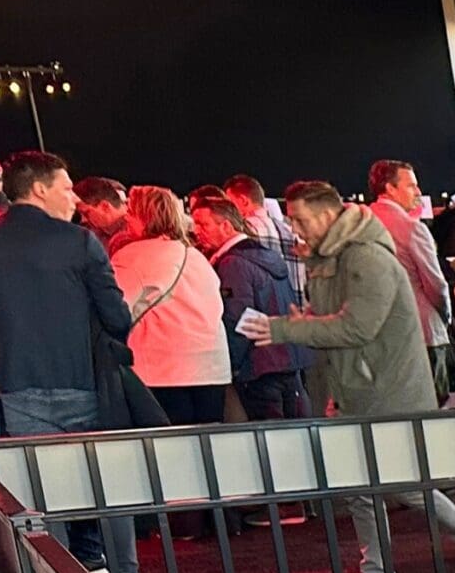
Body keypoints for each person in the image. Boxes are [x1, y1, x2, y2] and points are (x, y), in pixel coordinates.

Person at [243, 181, 455, 573]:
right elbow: (343, 323)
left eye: (300, 219)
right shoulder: (336, 255)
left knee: (406, 487)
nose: (294, 228)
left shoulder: (365, 257)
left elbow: (357, 327)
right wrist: (306, 323)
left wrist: (287, 328)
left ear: (327, 217)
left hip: (389, 392)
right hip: (359, 389)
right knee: (362, 486)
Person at [0, 152, 152, 573]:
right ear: (39, 189)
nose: (74, 198)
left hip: (17, 388)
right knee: (107, 484)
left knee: (41, 495)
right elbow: (116, 320)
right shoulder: (80, 242)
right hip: (85, 384)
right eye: (66, 188)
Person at [110, 186, 232, 426]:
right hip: (211, 367)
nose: (126, 217)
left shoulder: (134, 256)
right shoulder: (196, 256)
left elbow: (115, 309)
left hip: (162, 370)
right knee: (208, 448)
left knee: (170, 451)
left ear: (145, 217)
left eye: (131, 211)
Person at [190, 186, 312, 420]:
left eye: (203, 225)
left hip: (259, 367)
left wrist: (230, 366)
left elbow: (238, 319)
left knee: (269, 443)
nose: (196, 232)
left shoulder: (233, 264)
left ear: (226, 226)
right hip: (288, 360)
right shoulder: (267, 254)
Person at [367, 159, 453, 400]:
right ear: (389, 188)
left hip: (376, 336)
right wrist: (445, 317)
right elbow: (436, 284)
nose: (418, 192)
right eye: (411, 186)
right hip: (422, 333)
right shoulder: (411, 228)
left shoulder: (359, 224)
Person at [224, 174, 303, 292]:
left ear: (243, 201)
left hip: (258, 310)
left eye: (229, 203)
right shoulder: (293, 232)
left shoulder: (242, 233)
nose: (227, 210)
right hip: (295, 309)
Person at [74, 177, 132, 252]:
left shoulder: (139, 231)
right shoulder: (92, 236)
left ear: (105, 206)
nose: (83, 220)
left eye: (87, 213)